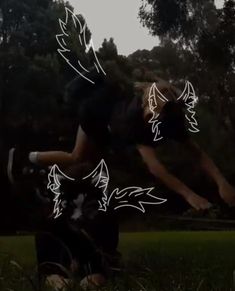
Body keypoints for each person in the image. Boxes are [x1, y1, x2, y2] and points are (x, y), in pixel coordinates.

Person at [7, 63, 235, 211]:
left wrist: (222, 182)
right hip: (95, 114)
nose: (151, 120)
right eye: (149, 115)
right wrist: (188, 194)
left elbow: (198, 153)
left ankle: (42, 175)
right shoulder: (133, 120)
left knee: (87, 164)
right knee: (78, 157)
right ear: (144, 108)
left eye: (155, 118)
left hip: (109, 122)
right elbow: (155, 167)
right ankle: (26, 159)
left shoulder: (172, 117)